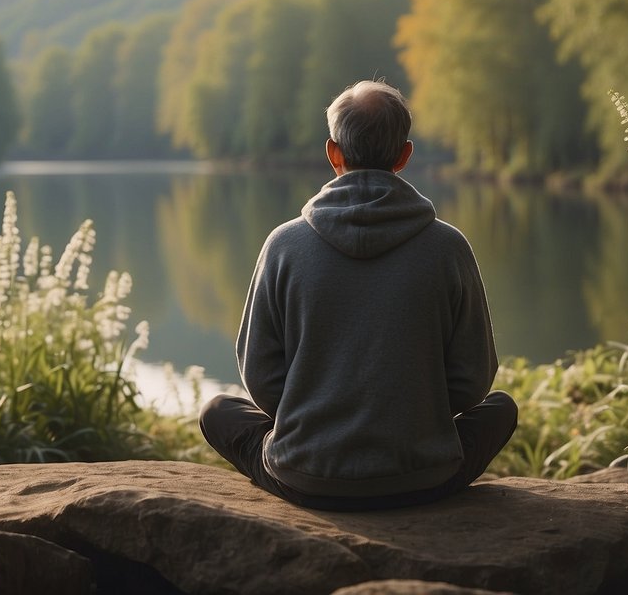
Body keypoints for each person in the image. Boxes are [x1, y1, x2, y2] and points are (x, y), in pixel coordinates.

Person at [199, 79, 517, 511]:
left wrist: (315, 418)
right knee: (501, 409)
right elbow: (473, 381)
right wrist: (415, 414)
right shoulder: (448, 246)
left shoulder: (283, 245)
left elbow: (261, 379)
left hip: (307, 478)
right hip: (426, 477)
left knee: (218, 411)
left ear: (333, 153)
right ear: (404, 155)